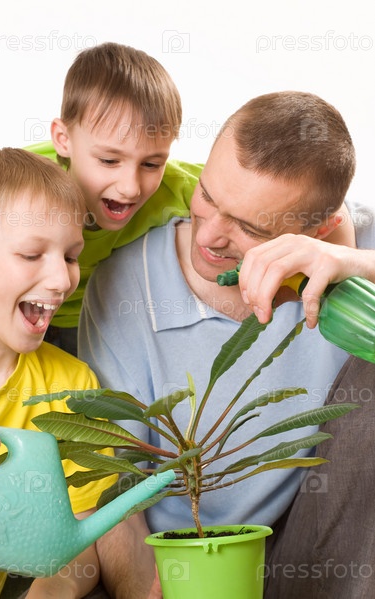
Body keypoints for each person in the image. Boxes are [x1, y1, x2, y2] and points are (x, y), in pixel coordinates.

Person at [77, 91, 375, 598]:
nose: (210, 236)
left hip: (306, 551)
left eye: (250, 227)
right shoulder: (124, 286)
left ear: (319, 229)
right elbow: (111, 489)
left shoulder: (351, 250)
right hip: (175, 563)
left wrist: (355, 265)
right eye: (209, 197)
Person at [0, 148, 115, 599]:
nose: (61, 280)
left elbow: (80, 534)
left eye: (71, 257)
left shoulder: (71, 387)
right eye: (32, 253)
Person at [26, 42, 203, 355]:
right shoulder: (19, 183)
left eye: (151, 164)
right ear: (63, 140)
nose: (130, 188)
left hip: (96, 326)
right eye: (109, 161)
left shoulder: (182, 188)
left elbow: (253, 193)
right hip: (17, 317)